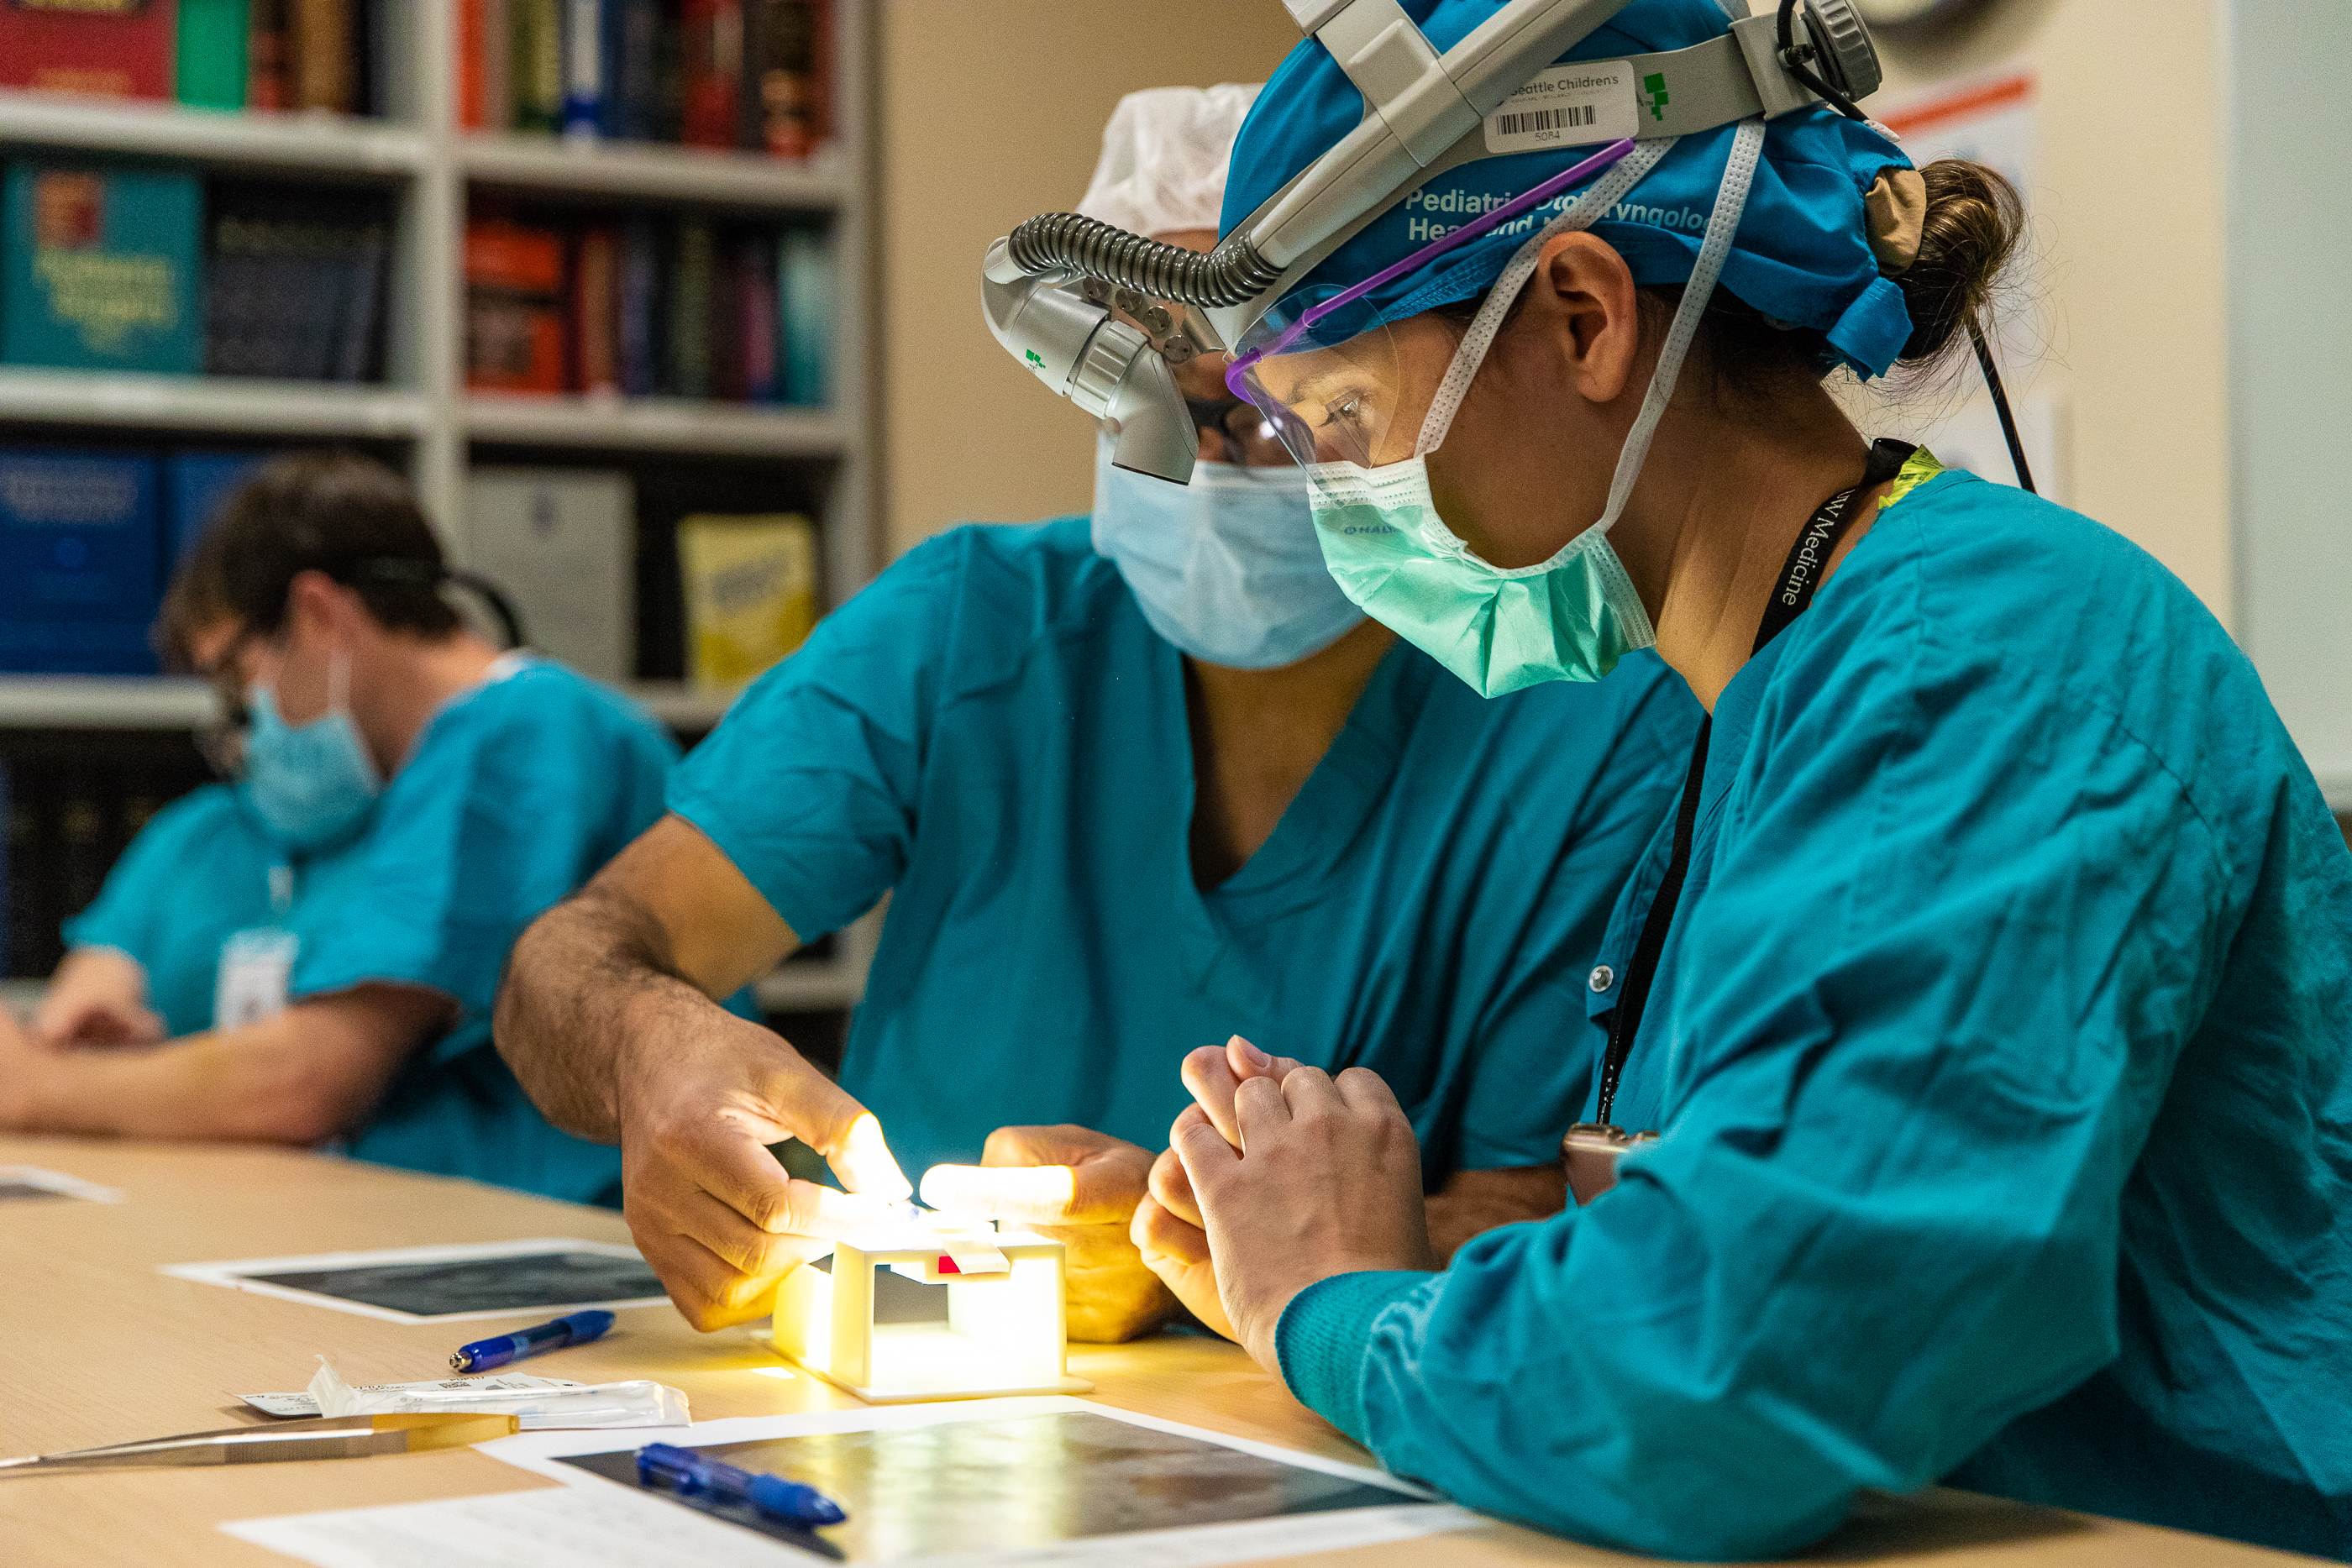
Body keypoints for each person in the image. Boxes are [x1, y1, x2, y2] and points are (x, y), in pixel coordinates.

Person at [1113, 1, 2352, 1560]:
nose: (1335, 505)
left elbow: (1735, 1367)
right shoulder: (1767, 692)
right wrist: (1352, 1244)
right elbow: (1723, 1233)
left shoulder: (1992, 664)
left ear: (1579, 316)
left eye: (1347, 422)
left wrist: (1339, 1306)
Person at [494, 86, 1701, 1339]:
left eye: (1277, 405)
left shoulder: (1578, 719)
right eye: (1155, 400)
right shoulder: (972, 627)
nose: (1217, 457)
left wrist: (1179, 1234)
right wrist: (651, 1043)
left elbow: (1532, 1221)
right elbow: (567, 961)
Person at [0, 452, 680, 1208]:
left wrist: (38, 1087)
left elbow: (306, 1080)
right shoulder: (442, 769)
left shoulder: (519, 736)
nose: (244, 722)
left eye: (239, 677)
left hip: (564, 1234)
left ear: (320, 614)